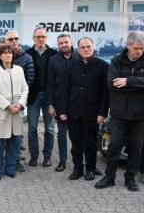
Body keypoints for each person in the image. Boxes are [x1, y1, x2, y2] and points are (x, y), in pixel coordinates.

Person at [95, 31, 144, 191]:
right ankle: (109, 177)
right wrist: (138, 85)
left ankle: (130, 178)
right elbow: (112, 85)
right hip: (118, 115)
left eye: (142, 48)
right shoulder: (116, 61)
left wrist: (128, 81)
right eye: (136, 48)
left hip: (140, 116)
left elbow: (122, 84)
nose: (139, 51)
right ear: (128, 46)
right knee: (114, 146)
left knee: (136, 147)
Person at [60, 37, 109, 181]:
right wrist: (63, 110)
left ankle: (91, 169)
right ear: (78, 49)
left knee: (91, 143)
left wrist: (102, 113)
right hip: (74, 112)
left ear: (93, 47)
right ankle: (78, 169)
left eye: (89, 47)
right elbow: (66, 90)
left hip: (93, 113)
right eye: (83, 47)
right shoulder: (72, 67)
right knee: (75, 143)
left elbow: (106, 93)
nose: (86, 49)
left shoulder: (103, 66)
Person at [0, 44, 29, 181]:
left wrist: (21, 104)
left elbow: (25, 89)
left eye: (10, 53)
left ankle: (10, 169)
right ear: (0, 56)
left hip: (16, 112)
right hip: (2, 112)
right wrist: (7, 106)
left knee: (15, 143)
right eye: (5, 53)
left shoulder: (19, 70)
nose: (8, 55)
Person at [46, 33, 80, 172]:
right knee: (61, 134)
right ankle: (62, 161)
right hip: (60, 103)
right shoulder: (53, 60)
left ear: (71, 42)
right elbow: (50, 84)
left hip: (78, 102)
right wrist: (50, 104)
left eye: (66, 42)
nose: (64, 45)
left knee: (79, 134)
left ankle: (80, 162)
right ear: (58, 45)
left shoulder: (81, 57)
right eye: (61, 43)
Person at [25, 27, 57, 167]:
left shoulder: (54, 54)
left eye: (43, 36)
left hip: (49, 97)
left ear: (46, 38)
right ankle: (34, 155)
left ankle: (47, 156)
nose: (41, 39)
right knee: (32, 128)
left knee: (49, 129)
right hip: (33, 96)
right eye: (38, 37)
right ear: (33, 38)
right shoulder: (27, 54)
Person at [5, 30, 35, 172]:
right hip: (3, 103)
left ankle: (16, 160)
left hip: (18, 103)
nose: (14, 41)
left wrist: (20, 102)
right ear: (6, 42)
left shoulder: (27, 58)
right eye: (10, 39)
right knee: (3, 133)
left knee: (17, 134)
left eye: (16, 38)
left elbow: (29, 80)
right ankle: (3, 159)